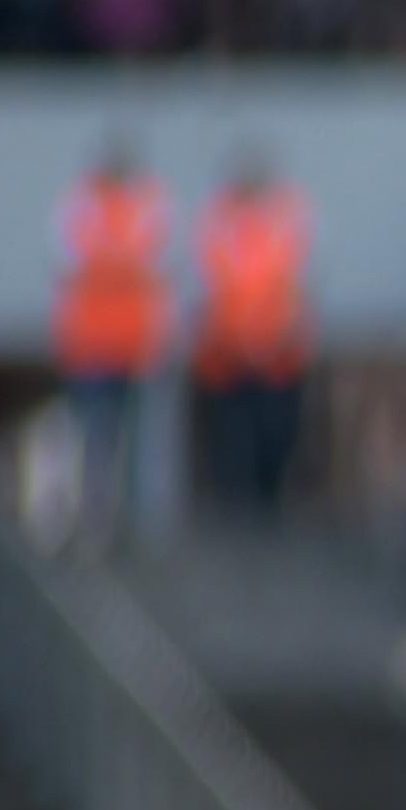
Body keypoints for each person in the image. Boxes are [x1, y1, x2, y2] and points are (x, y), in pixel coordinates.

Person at [53, 143, 172, 546]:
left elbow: (159, 265)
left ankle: (134, 520)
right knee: (94, 434)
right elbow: (70, 262)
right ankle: (93, 516)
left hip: (135, 346)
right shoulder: (83, 204)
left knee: (135, 441)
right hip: (91, 346)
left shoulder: (147, 205)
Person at [192, 157, 315, 522]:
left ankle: (267, 504)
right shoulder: (219, 220)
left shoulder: (288, 218)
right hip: (229, 357)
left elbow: (301, 282)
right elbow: (209, 284)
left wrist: (282, 336)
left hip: (278, 356)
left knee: (276, 432)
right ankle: (237, 508)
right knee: (233, 436)